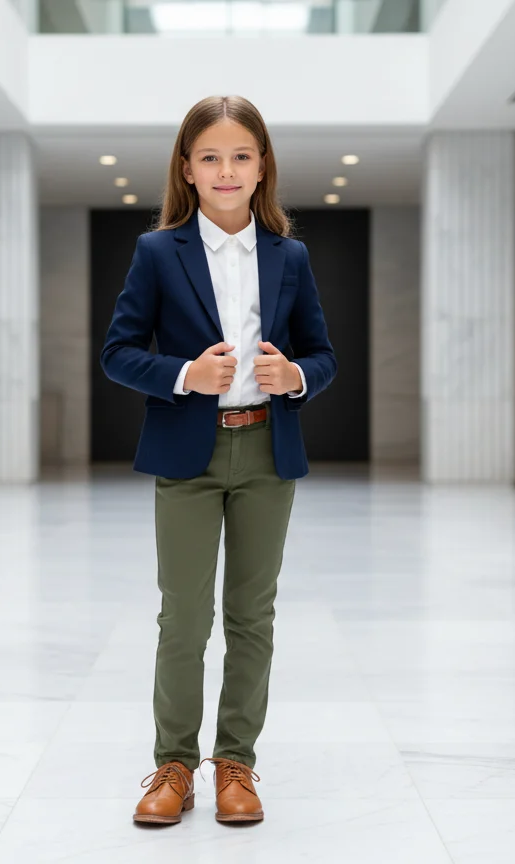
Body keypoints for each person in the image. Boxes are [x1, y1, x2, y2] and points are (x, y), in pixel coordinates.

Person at [100, 95, 337, 826]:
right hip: (188, 452)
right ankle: (173, 766)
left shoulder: (288, 256)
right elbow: (118, 354)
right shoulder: (157, 252)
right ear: (187, 169)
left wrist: (294, 375)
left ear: (262, 166)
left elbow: (322, 355)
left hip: (268, 446)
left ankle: (238, 763)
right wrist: (182, 375)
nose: (226, 169)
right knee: (183, 617)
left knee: (251, 615)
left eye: (241, 155)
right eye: (210, 157)